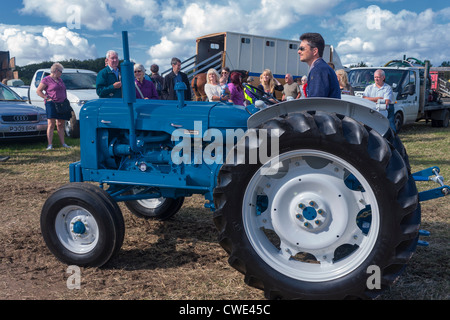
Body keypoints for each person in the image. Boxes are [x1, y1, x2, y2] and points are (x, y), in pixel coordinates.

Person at [36, 63, 72, 150]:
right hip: (51, 104)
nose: (61, 73)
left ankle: (63, 143)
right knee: (51, 124)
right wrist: (46, 98)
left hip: (62, 104)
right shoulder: (46, 79)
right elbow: (38, 91)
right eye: (61, 71)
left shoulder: (60, 80)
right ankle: (50, 144)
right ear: (56, 71)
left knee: (60, 124)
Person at [298, 32, 340, 99]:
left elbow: (315, 104)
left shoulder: (318, 70)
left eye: (302, 48)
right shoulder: (322, 68)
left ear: (315, 51)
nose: (299, 51)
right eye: (299, 49)